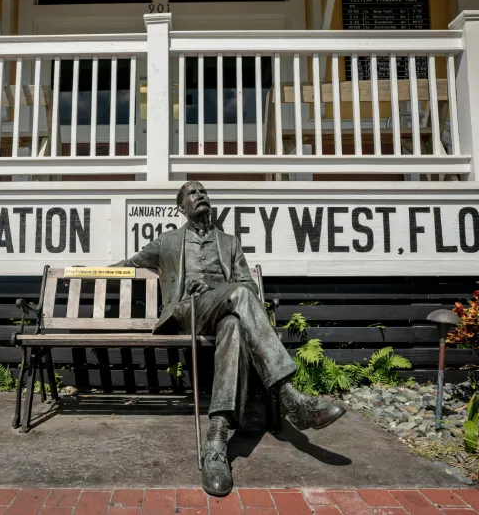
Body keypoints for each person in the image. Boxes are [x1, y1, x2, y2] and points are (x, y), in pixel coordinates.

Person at [111, 180, 345, 496]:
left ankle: (216, 442)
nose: (200, 196)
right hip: (188, 312)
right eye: (192, 193)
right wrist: (81, 273)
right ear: (181, 207)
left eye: (203, 191)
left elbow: (248, 286)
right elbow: (129, 265)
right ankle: (289, 395)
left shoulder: (229, 243)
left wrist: (227, 293)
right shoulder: (167, 242)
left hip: (225, 313)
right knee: (237, 296)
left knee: (235, 321)